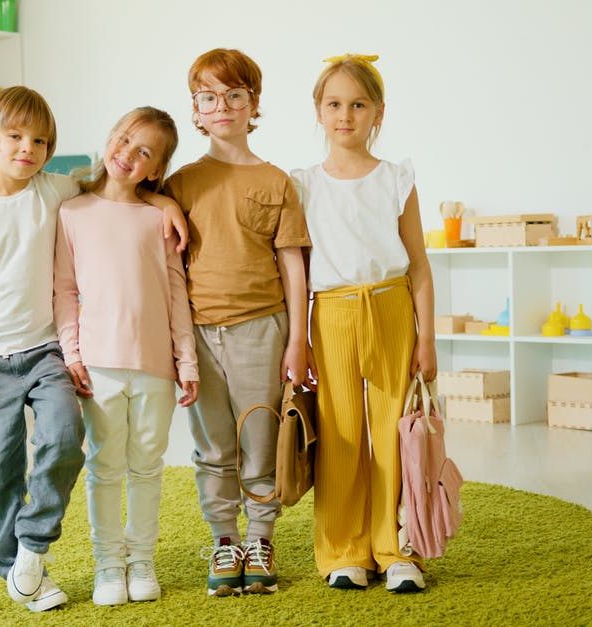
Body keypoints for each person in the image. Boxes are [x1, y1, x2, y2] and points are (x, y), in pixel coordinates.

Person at [0, 86, 187, 613]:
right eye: (16, 136)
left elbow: (116, 189)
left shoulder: (55, 191)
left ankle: (34, 542)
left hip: (46, 351)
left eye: (41, 139)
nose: (28, 147)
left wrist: (162, 199)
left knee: (68, 437)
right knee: (1, 468)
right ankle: (17, 567)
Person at [163, 48, 312, 597]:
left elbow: (293, 265)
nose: (221, 105)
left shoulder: (276, 182)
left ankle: (260, 537)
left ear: (254, 105)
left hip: (262, 329)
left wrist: (299, 338)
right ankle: (224, 540)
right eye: (208, 97)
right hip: (198, 335)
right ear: (195, 111)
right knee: (212, 446)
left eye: (234, 95)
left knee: (261, 438)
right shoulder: (179, 183)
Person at [290, 54, 438, 593]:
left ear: (378, 113)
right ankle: (342, 550)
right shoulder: (302, 183)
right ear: (318, 111)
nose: (345, 115)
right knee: (341, 433)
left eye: (358, 104)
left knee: (394, 432)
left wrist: (428, 336)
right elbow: (298, 271)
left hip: (392, 307)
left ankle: (397, 548)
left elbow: (419, 264)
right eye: (334, 104)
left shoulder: (397, 179)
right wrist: (299, 340)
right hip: (330, 313)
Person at [53, 106, 199, 606]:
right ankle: (109, 565)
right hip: (98, 365)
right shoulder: (71, 212)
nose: (128, 155)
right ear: (109, 136)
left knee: (147, 466)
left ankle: (142, 560)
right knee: (105, 467)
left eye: (144, 152)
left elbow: (176, 292)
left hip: (156, 365)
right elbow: (65, 292)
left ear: (156, 170)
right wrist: (72, 353)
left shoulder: (159, 215)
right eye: (124, 139)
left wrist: (187, 361)